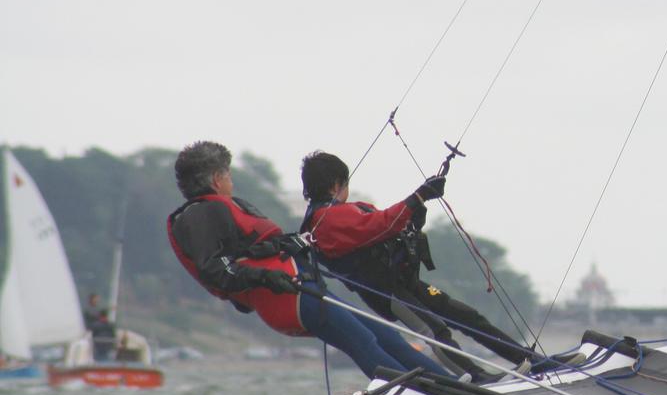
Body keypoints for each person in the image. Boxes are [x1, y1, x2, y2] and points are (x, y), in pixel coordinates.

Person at [166, 141, 452, 381]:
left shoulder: (218, 209)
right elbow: (216, 269)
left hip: (303, 287)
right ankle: (434, 394)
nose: (231, 182)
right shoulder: (200, 214)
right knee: (363, 342)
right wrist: (266, 277)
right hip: (286, 297)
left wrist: (291, 243)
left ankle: (448, 385)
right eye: (228, 175)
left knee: (387, 338)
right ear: (217, 179)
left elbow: (252, 248)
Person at [299, 151, 564, 378]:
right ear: (335, 185)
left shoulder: (351, 209)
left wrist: (417, 213)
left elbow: (390, 225)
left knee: (467, 316)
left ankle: (531, 360)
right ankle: (476, 379)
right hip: (387, 293)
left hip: (406, 283)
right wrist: (419, 196)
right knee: (433, 330)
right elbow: (381, 224)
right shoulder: (327, 219)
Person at [82, 293, 117, 361]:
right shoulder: (88, 310)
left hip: (98, 336)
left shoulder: (107, 324)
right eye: (95, 299)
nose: (96, 300)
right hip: (92, 331)